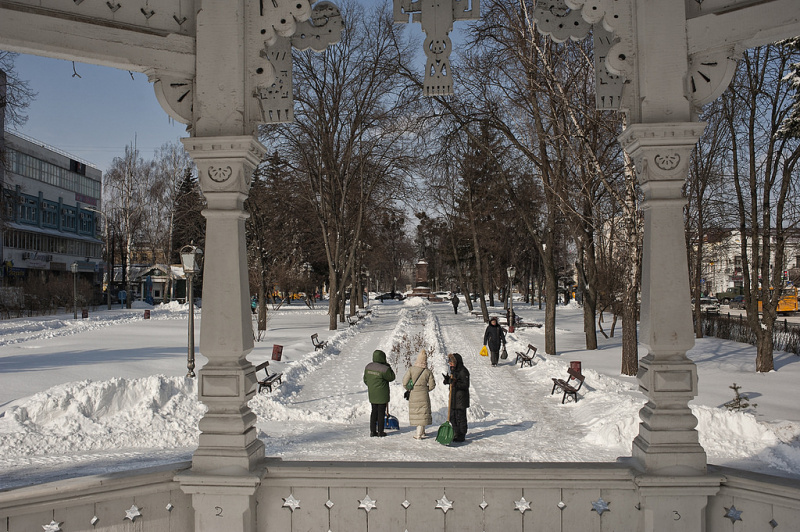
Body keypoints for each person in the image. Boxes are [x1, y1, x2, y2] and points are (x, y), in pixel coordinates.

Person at [402, 349, 436, 439]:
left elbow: (405, 383)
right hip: (424, 395)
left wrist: (410, 389)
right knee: (423, 413)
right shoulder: (428, 372)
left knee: (417, 414)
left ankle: (418, 434)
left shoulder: (411, 370)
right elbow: (432, 385)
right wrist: (425, 389)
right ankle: (421, 433)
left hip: (413, 395)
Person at [363, 349, 395, 437]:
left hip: (372, 393)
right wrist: (388, 366)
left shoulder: (368, 367)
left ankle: (372, 431)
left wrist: (372, 386)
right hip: (382, 394)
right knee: (381, 412)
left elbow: (365, 380)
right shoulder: (384, 368)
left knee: (374, 412)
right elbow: (392, 377)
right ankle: (381, 431)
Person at [443, 353, 470, 442]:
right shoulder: (453, 370)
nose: (450, 365)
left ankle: (461, 435)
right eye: (449, 363)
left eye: (452, 363)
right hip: (454, 397)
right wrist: (448, 381)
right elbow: (453, 382)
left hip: (461, 399)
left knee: (460, 418)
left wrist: (454, 383)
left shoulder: (463, 371)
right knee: (452, 416)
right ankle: (456, 432)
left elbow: (465, 385)